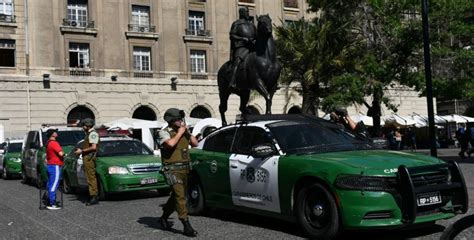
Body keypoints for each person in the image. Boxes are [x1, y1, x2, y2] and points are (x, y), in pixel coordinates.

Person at [157, 108, 199, 237]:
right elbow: (170, 144)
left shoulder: (183, 131)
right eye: (177, 119)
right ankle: (186, 225)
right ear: (170, 120)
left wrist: (186, 132)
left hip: (185, 168)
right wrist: (180, 132)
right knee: (181, 197)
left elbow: (195, 143)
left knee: (177, 195)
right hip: (172, 169)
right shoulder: (163, 133)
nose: (180, 121)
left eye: (181, 119)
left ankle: (164, 217)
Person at [228, 6, 257, 90]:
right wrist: (242, 39)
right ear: (242, 13)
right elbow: (232, 35)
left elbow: (256, 36)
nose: (248, 14)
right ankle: (232, 81)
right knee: (237, 61)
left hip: (252, 47)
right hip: (242, 47)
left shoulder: (252, 25)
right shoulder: (236, 23)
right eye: (246, 12)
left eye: (248, 12)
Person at [74, 118, 100, 206]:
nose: (83, 127)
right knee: (89, 177)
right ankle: (92, 195)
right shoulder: (89, 133)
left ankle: (94, 196)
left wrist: (81, 151)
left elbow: (93, 147)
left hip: (90, 158)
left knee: (91, 177)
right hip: (87, 158)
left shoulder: (93, 134)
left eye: (84, 126)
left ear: (88, 126)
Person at [45, 128, 65, 210]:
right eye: (55, 132)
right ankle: (52, 203)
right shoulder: (54, 143)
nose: (56, 133)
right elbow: (61, 153)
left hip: (50, 165)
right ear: (52, 134)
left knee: (50, 183)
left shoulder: (48, 143)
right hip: (55, 165)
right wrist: (64, 154)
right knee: (54, 184)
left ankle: (50, 200)